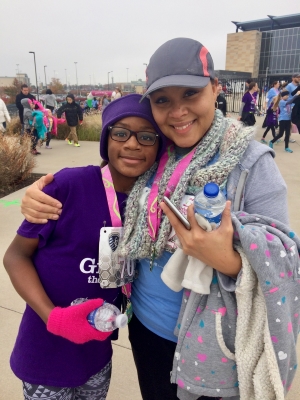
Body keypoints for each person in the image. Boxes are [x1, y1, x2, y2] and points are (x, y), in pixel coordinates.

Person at [19, 38, 299, 400]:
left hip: (210, 346)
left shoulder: (250, 162)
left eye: (191, 94)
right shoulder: (157, 155)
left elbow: (285, 264)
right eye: (163, 100)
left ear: (215, 89)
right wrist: (38, 196)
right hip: (146, 332)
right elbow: (106, 180)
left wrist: (226, 259)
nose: (178, 111)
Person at [3, 94, 165, 400]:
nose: (133, 144)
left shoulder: (151, 205)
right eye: (120, 133)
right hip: (45, 353)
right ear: (106, 139)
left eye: (146, 136)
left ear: (159, 147)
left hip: (97, 355)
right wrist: (52, 316)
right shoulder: (68, 186)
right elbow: (15, 256)